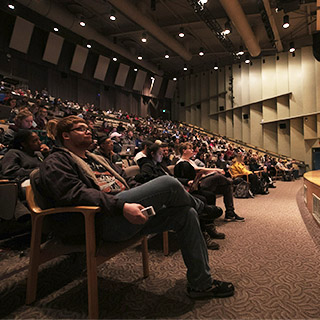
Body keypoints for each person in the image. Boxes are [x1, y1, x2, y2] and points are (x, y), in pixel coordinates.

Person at [35, 116, 235, 299]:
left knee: (186, 213)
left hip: (127, 210)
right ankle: (202, 207)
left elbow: (126, 182)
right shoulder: (56, 161)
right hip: (102, 220)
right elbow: (74, 193)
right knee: (168, 183)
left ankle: (201, 284)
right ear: (66, 136)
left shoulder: (98, 159)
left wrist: (149, 196)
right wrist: (121, 205)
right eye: (81, 129)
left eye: (88, 128)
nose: (88, 131)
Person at [137, 143, 225, 250]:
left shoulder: (160, 165)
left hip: (174, 189)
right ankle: (203, 232)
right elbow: (145, 178)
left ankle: (209, 226)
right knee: (201, 199)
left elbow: (173, 177)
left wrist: (187, 181)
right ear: (152, 154)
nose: (163, 155)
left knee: (209, 196)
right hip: (165, 195)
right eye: (160, 153)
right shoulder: (147, 165)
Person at [174, 142, 245, 222]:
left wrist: (211, 172)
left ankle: (230, 213)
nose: (192, 150)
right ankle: (232, 182)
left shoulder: (190, 161)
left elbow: (201, 172)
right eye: (190, 149)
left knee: (226, 187)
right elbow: (199, 170)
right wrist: (216, 169)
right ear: (184, 151)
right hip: (196, 186)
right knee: (218, 176)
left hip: (201, 181)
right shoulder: (181, 163)